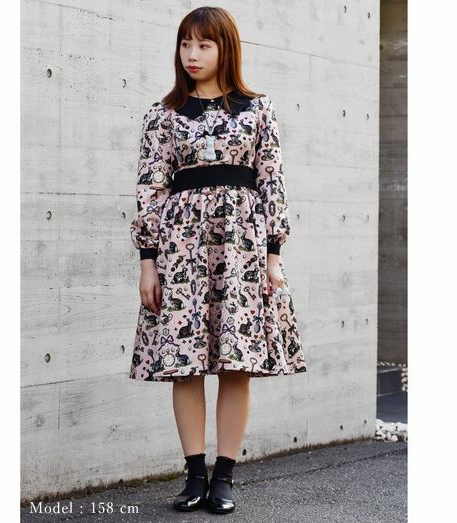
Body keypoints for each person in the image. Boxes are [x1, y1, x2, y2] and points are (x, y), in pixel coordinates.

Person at [129, 6, 307, 515]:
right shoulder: (162, 115)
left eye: (204, 44)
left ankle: (224, 477)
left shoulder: (258, 109)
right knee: (184, 365)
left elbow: (272, 182)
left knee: (235, 365)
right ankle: (194, 476)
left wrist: (273, 256)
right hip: (180, 249)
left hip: (242, 247)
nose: (192, 54)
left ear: (225, 48)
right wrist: (148, 263)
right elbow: (149, 189)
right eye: (186, 43)